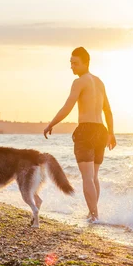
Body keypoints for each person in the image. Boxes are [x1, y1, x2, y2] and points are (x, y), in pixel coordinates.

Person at [44, 47, 116, 222]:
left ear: (86, 63)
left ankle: (94, 215)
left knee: (87, 178)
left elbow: (68, 107)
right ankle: (93, 213)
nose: (72, 67)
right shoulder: (99, 82)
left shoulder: (79, 82)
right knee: (94, 177)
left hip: (86, 131)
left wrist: (51, 123)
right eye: (70, 63)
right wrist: (111, 133)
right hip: (101, 131)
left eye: (75, 63)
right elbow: (108, 111)